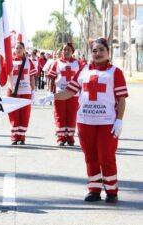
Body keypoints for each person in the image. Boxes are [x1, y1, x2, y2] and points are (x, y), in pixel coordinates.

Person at [40, 38, 128, 203]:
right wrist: (52, 97)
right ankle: (94, 190)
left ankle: (111, 191)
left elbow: (122, 99)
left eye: (101, 50)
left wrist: (119, 121)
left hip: (107, 123)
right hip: (85, 122)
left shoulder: (115, 72)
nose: (97, 53)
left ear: (108, 53)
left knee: (106, 156)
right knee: (90, 156)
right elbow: (69, 92)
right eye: (94, 50)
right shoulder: (83, 70)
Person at [46, 42, 83, 146]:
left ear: (72, 52)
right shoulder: (56, 63)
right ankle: (61, 138)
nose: (66, 51)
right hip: (59, 94)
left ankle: (70, 137)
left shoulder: (78, 63)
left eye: (68, 50)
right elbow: (51, 78)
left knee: (72, 116)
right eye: (64, 50)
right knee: (59, 115)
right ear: (61, 51)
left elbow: (82, 79)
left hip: (73, 94)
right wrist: (50, 91)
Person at [7, 42, 36, 145]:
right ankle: (14, 136)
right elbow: (8, 76)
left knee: (25, 114)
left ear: (24, 49)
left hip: (26, 92)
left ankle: (22, 136)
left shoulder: (29, 62)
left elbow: (32, 77)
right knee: (13, 114)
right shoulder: (10, 61)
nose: (18, 50)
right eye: (16, 48)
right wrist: (11, 87)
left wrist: (33, 90)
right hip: (14, 92)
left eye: (20, 48)